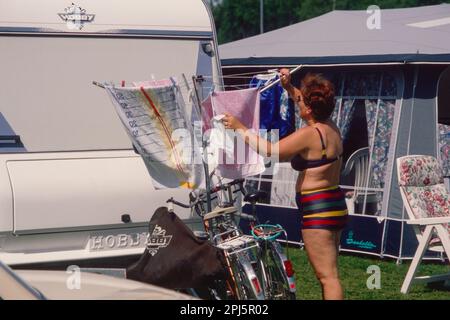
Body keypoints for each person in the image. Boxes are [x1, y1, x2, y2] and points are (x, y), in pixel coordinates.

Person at [222, 68, 348, 300]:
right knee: (331, 273)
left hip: (318, 209)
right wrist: (288, 86)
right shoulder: (330, 126)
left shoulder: (311, 133)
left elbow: (270, 151)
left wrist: (239, 127)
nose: (297, 104)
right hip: (334, 203)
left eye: (302, 103)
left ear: (310, 108)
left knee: (327, 276)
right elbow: (301, 97)